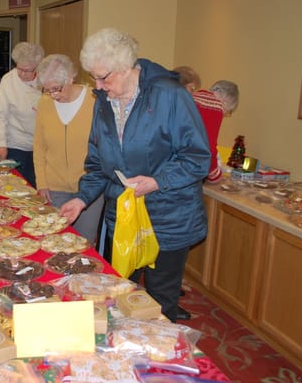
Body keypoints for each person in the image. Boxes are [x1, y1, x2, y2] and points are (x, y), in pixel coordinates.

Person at [59, 28, 211, 323]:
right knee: (119, 294)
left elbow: (197, 158)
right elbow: (97, 163)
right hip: (125, 217)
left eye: (104, 77)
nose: (99, 86)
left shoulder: (170, 95)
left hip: (168, 219)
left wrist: (157, 181)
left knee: (159, 304)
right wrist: (81, 199)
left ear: (128, 67)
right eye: (93, 77)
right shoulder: (104, 103)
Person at [34, 54, 104, 244]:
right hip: (55, 187)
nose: (53, 95)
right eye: (47, 90)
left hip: (89, 186)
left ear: (71, 78)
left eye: (56, 88)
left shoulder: (95, 101)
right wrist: (42, 182)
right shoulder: (45, 102)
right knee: (56, 240)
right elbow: (39, 146)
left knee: (84, 242)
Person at [0, 42, 45, 187]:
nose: (22, 73)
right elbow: (0, 116)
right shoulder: (8, 80)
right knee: (16, 187)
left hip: (41, 146)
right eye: (19, 68)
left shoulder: (46, 79)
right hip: (15, 143)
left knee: (38, 187)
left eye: (27, 70)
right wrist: (2, 144)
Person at [193, 80, 239, 183]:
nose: (224, 114)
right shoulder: (214, 106)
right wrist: (215, 175)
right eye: (228, 112)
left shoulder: (194, 96)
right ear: (228, 100)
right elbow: (207, 146)